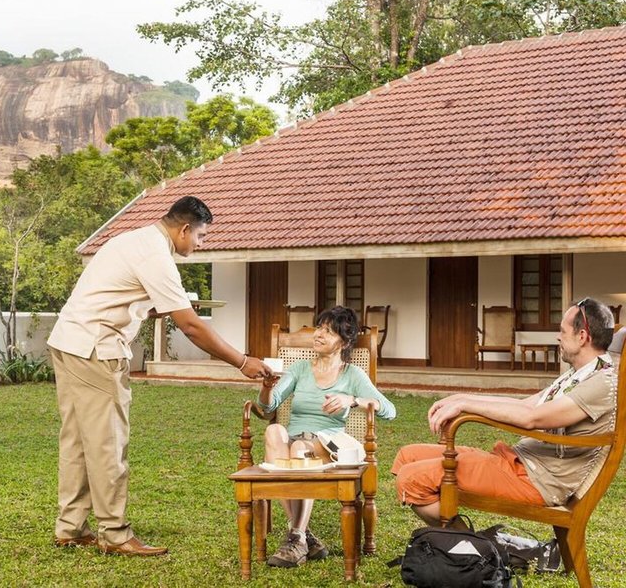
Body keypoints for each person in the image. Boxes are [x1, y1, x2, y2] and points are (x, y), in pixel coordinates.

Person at [47, 196, 271, 555]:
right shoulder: (156, 256)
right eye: (200, 236)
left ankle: (70, 527)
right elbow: (191, 327)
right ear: (184, 229)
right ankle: (114, 534)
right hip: (96, 350)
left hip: (68, 343)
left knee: (77, 441)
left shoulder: (131, 239)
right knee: (108, 444)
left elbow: (117, 294)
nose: (201, 244)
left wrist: (153, 309)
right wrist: (242, 361)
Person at [392, 297, 617, 527]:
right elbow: (527, 405)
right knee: (407, 456)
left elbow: (532, 418)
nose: (558, 337)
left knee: (412, 479)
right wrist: (462, 398)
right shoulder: (578, 374)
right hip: (519, 461)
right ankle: (465, 543)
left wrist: (465, 406)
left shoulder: (601, 383)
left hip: (536, 479)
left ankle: (470, 546)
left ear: (582, 337)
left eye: (562, 331)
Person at [256, 306, 396, 568]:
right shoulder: (299, 369)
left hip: (327, 443)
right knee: (274, 431)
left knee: (299, 448)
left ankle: (296, 537)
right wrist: (266, 387)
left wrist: (352, 400)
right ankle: (302, 535)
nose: (318, 334)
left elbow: (389, 410)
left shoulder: (352, 374)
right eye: (319, 327)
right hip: (295, 439)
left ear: (344, 342)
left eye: (328, 331)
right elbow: (267, 408)